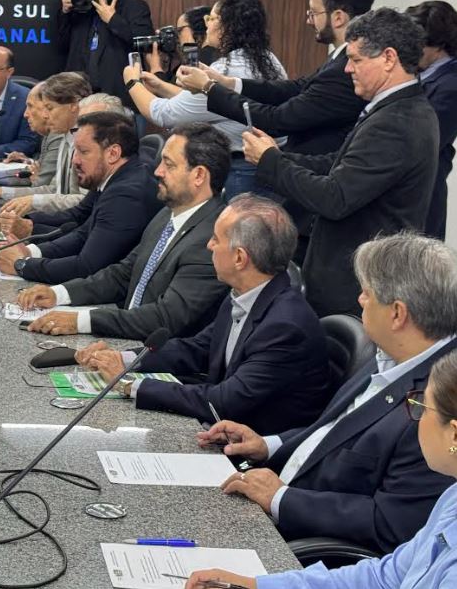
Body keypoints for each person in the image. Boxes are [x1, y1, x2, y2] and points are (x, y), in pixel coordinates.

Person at [195, 232, 457, 555]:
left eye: (368, 293)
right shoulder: (391, 356)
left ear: (397, 314)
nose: (360, 300)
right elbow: (332, 435)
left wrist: (281, 498)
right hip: (275, 499)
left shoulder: (439, 399)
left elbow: (390, 523)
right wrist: (267, 445)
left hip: (305, 548)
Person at [188, 348, 457, 589]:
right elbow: (382, 577)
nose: (416, 419)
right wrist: (254, 585)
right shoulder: (451, 498)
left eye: (421, 408)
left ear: (454, 435)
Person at [242, 8, 438, 318]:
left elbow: (335, 197)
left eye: (357, 59)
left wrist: (272, 162)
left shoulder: (399, 121)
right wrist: (275, 157)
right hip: (351, 277)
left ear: (388, 58)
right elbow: (338, 164)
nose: (347, 69)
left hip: (357, 286)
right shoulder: (394, 109)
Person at [79, 195, 331, 434]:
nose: (209, 245)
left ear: (240, 258)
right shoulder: (246, 293)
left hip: (251, 459)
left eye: (216, 239)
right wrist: (122, 359)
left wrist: (128, 384)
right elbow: (196, 349)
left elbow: (223, 401)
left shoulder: (286, 326)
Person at [177, 0, 375, 257]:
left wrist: (210, 89)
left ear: (339, 17)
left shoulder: (343, 69)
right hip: (303, 177)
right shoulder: (337, 60)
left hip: (313, 183)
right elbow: (292, 88)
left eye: (314, 13)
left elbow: (278, 119)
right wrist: (227, 83)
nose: (309, 21)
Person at [17, 123, 230, 341]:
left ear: (199, 175)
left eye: (169, 164)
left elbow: (165, 317)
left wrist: (81, 320)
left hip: (155, 356)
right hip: (120, 338)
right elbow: (123, 275)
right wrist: (59, 293)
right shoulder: (168, 214)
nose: (158, 171)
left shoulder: (211, 240)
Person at [125, 0, 287, 199]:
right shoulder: (268, 60)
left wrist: (132, 81)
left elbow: (162, 114)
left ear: (227, 26)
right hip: (267, 169)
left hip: (240, 174)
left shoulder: (226, 69)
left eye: (211, 18)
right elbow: (211, 105)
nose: (207, 24)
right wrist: (161, 86)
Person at [0, 111, 160, 285]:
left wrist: (21, 265)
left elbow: (86, 267)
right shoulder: (113, 177)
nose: (75, 160)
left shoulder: (126, 195)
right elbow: (81, 233)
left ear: (113, 153)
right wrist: (30, 252)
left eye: (83, 152)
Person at [0, 94, 133, 237]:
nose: (45, 115)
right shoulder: (68, 139)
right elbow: (74, 210)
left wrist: (30, 228)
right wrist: (28, 223)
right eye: (82, 123)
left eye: (50, 108)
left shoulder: (126, 189)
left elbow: (86, 244)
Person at [0, 72, 92, 214]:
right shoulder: (66, 136)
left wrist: (29, 201)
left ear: (74, 105)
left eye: (50, 108)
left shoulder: (80, 141)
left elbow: (83, 201)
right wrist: (2, 192)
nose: (46, 115)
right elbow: (55, 190)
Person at [56, 0, 153, 102]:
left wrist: (112, 19)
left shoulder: (134, 7)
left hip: (120, 97)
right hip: (79, 98)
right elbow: (62, 45)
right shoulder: (79, 10)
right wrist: (65, 12)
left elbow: (145, 43)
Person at [406, 0, 457, 240]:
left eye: (418, 44)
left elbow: (425, 141)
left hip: (424, 195)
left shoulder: (451, 85)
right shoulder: (423, 75)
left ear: (438, 44)